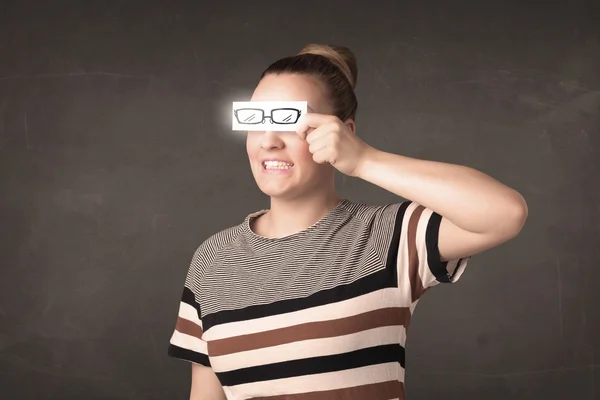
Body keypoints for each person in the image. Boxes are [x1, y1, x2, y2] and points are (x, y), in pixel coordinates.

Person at [167, 44, 528, 400]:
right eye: (256, 120)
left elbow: (505, 213)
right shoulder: (213, 260)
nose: (270, 141)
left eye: (291, 121)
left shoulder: (388, 237)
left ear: (343, 133)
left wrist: (365, 161)